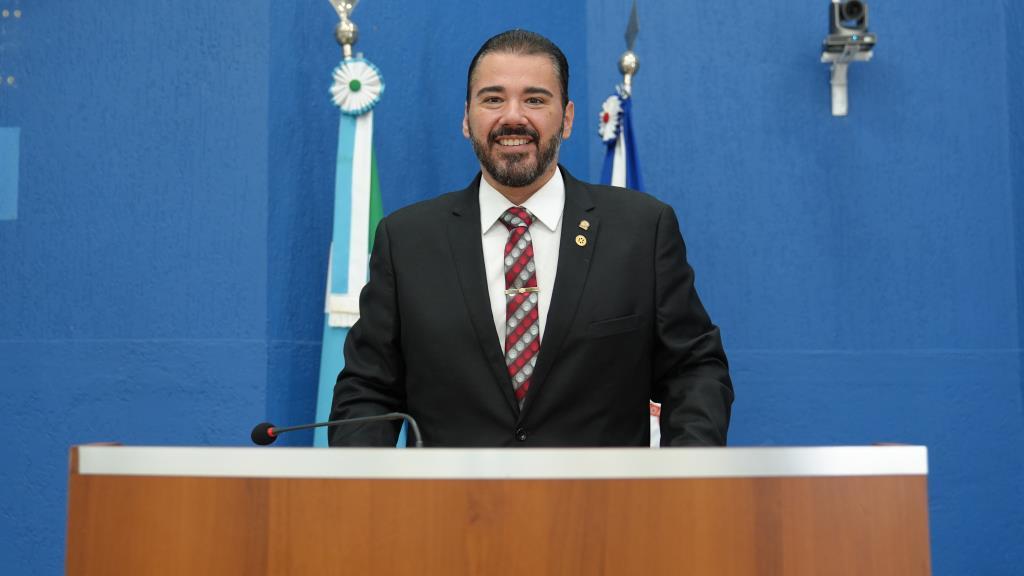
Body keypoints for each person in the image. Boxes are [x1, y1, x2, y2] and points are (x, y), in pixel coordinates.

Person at [329, 29, 733, 447]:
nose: (513, 117)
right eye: (493, 99)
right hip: (453, 490)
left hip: (602, 489)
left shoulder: (642, 230)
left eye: (535, 100)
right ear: (466, 118)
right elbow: (367, 391)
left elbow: (694, 370)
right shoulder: (406, 241)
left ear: (568, 118)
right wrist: (363, 482)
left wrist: (686, 473)